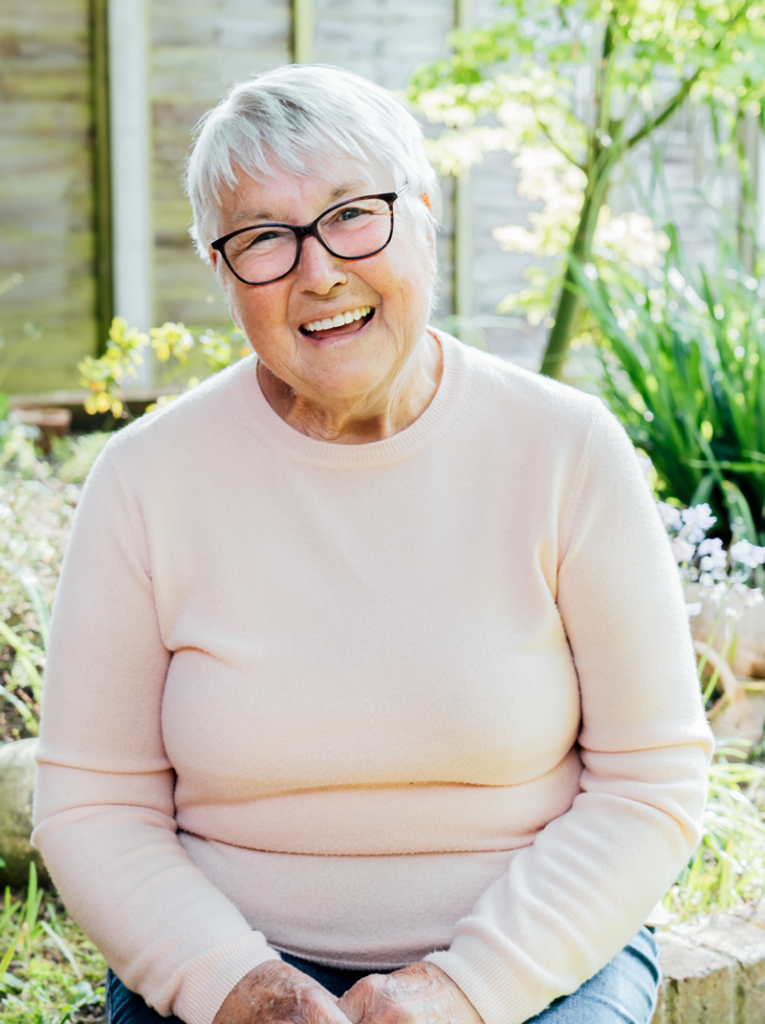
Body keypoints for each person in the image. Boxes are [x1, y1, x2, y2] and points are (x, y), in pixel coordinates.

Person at [33, 64, 712, 1024]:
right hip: (228, 966)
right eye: (264, 237)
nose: (319, 270)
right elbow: (94, 807)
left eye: (353, 214)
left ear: (423, 212)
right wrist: (244, 989)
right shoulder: (146, 480)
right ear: (224, 273)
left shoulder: (565, 449)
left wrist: (462, 989)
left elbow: (651, 783)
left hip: (538, 963)